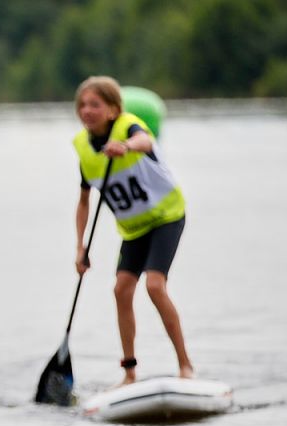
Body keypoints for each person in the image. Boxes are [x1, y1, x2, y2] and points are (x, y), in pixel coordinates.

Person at [73, 76, 192, 386]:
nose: (87, 110)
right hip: (134, 229)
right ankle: (129, 373)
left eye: (95, 105)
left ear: (112, 110)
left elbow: (145, 142)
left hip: (166, 218)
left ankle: (185, 366)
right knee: (121, 290)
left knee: (154, 286)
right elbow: (84, 201)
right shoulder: (84, 149)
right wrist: (80, 247)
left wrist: (124, 147)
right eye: (82, 105)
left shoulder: (128, 126)